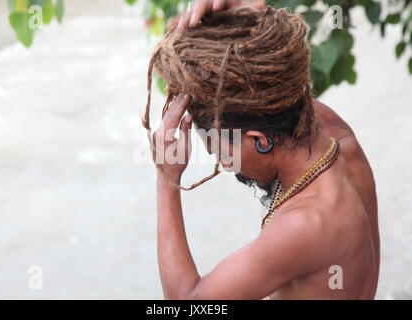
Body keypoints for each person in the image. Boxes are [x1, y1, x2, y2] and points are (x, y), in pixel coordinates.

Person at [145, 0, 379, 299]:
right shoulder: (335, 133)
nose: (227, 166)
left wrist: (167, 180)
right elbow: (269, 77)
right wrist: (240, 22)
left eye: (222, 152)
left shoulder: (305, 225)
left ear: (260, 140)